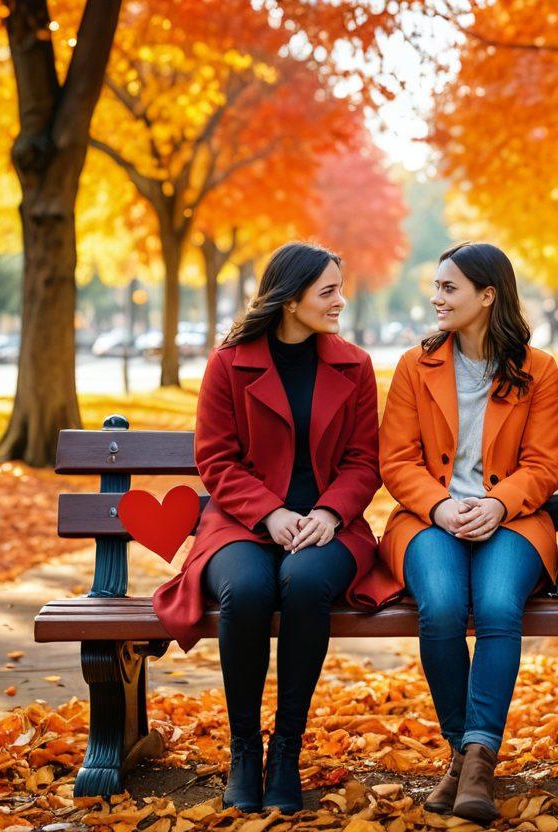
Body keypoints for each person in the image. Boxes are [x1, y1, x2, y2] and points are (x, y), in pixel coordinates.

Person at [152, 242, 388, 814]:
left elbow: (364, 461)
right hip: (243, 522)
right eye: (328, 291)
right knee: (249, 589)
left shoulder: (353, 366)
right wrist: (272, 513)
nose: (340, 301)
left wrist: (329, 514)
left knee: (305, 584)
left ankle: (285, 750)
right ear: (290, 299)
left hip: (331, 526)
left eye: (339, 288)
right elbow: (216, 459)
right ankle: (243, 749)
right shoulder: (229, 363)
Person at [377, 242, 558, 823]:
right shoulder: (416, 364)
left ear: (488, 296)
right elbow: (397, 459)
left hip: (513, 519)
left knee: (500, 605)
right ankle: (465, 748)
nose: (436, 297)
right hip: (429, 519)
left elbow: (543, 464)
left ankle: (476, 759)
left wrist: (497, 504)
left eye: (448, 288)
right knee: (440, 606)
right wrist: (439, 508)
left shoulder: (539, 370)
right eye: (435, 286)